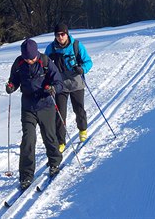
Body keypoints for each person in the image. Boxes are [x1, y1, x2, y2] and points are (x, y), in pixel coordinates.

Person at [6, 38, 63, 190]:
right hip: (28, 107)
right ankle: (26, 175)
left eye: (31, 58)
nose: (29, 61)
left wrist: (53, 88)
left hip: (45, 105)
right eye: (26, 58)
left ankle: (55, 162)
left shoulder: (45, 62)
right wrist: (11, 86)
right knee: (28, 140)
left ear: (36, 54)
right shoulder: (19, 63)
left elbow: (59, 81)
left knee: (49, 136)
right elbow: (14, 80)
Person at [45, 23, 93, 153]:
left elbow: (88, 61)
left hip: (76, 83)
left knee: (79, 109)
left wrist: (82, 69)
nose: (60, 37)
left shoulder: (77, 45)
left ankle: (82, 129)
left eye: (63, 34)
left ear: (67, 34)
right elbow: (45, 66)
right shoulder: (50, 49)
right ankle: (61, 141)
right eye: (57, 35)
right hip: (60, 86)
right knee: (60, 114)